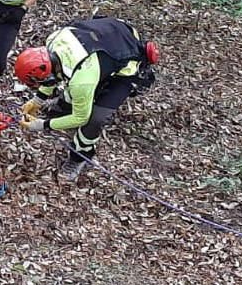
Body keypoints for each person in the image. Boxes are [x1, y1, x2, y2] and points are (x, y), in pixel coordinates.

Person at [15, 16, 158, 181]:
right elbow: (52, 73)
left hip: (127, 64)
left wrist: (42, 125)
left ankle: (79, 156)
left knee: (94, 118)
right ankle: (64, 106)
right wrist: (38, 100)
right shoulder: (53, 41)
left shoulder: (82, 81)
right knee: (76, 88)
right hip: (110, 38)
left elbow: (80, 117)